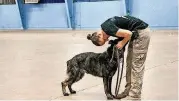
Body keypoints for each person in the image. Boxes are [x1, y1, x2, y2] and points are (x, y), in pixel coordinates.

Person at [87, 15, 150, 100]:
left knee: (136, 66)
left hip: (141, 33)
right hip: (135, 34)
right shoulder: (106, 27)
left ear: (99, 34)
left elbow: (129, 34)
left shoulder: (108, 28)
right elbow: (126, 33)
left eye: (104, 40)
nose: (106, 40)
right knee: (129, 64)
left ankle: (135, 96)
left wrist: (122, 43)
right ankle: (128, 91)